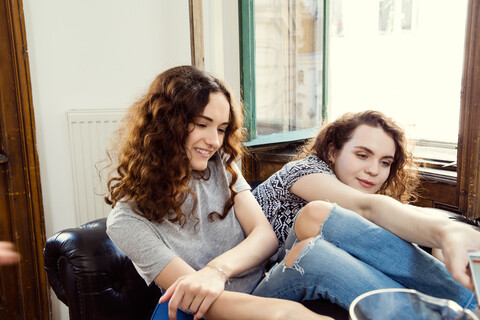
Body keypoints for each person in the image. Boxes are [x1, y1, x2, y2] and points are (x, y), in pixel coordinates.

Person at [105, 65, 334, 320]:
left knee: (317, 252)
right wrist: (286, 312)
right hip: (210, 309)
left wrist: (217, 270)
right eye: (203, 124)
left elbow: (265, 237)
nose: (215, 141)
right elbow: (196, 296)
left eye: (221, 129)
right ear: (165, 125)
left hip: (263, 288)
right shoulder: (126, 221)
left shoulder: (220, 164)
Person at [251, 110, 479, 311]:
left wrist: (444, 240)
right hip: (253, 292)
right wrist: (444, 233)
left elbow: (409, 212)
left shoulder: (350, 193)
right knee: (315, 233)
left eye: (385, 162)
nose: (373, 170)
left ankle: (466, 303)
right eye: (362, 155)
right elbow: (366, 207)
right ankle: (467, 303)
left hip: (293, 268)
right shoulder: (303, 171)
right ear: (332, 152)